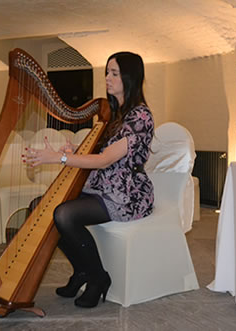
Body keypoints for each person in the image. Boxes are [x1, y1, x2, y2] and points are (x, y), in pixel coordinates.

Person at [22, 51, 154, 308]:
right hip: (103, 186)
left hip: (127, 194)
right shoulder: (114, 115)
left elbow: (105, 160)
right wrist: (70, 153)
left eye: (114, 73)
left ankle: (97, 278)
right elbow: (99, 157)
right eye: (107, 72)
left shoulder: (140, 116)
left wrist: (58, 159)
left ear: (130, 78)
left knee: (64, 215)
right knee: (38, 207)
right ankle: (81, 271)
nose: (107, 78)